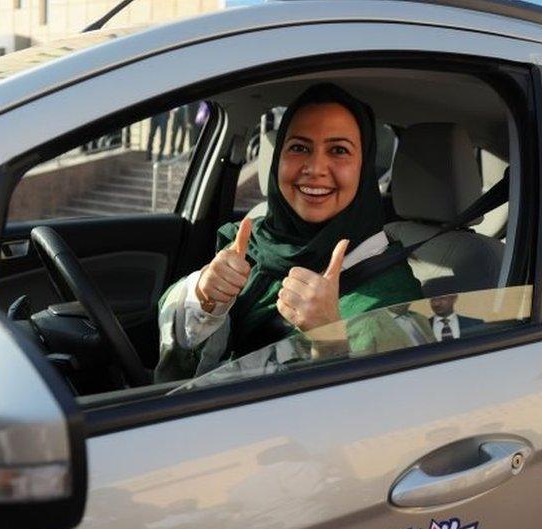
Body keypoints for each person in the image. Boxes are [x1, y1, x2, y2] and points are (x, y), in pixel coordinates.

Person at [154, 83, 423, 382]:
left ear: (364, 169)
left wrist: (330, 337)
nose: (315, 167)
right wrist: (203, 295)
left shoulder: (394, 296)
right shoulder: (253, 240)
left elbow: (389, 411)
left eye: (338, 150)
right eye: (299, 147)